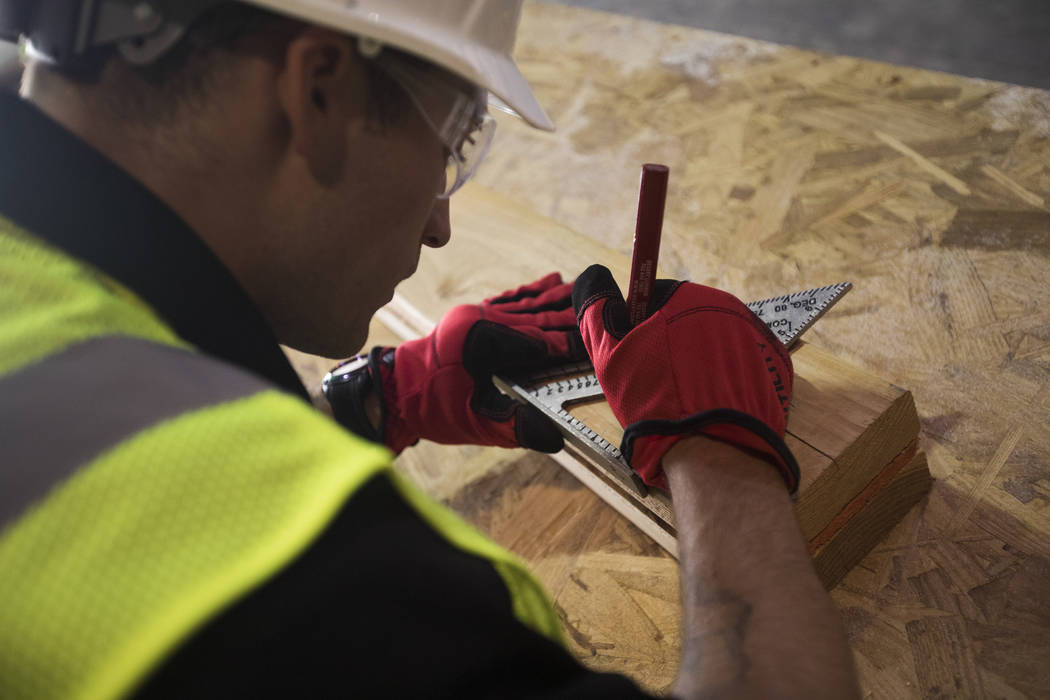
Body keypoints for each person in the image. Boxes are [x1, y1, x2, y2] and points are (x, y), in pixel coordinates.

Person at [0, 1, 860, 697]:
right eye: (453, 143)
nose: (443, 225)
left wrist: (372, 400)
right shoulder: (313, 598)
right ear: (320, 89)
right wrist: (720, 455)